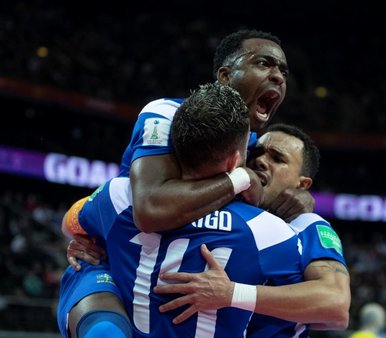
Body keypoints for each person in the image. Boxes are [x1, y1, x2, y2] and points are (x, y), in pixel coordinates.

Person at [58, 28, 311, 337]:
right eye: (264, 64)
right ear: (225, 75)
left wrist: (301, 204)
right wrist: (241, 178)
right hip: (116, 258)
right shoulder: (166, 114)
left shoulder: (253, 145)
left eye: (283, 70)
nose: (278, 76)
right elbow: (150, 210)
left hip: (172, 271)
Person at [154, 123, 351, 337]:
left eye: (277, 158)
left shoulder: (306, 225)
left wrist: (232, 294)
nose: (260, 160)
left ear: (302, 185)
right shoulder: (215, 205)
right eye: (256, 152)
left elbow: (335, 305)